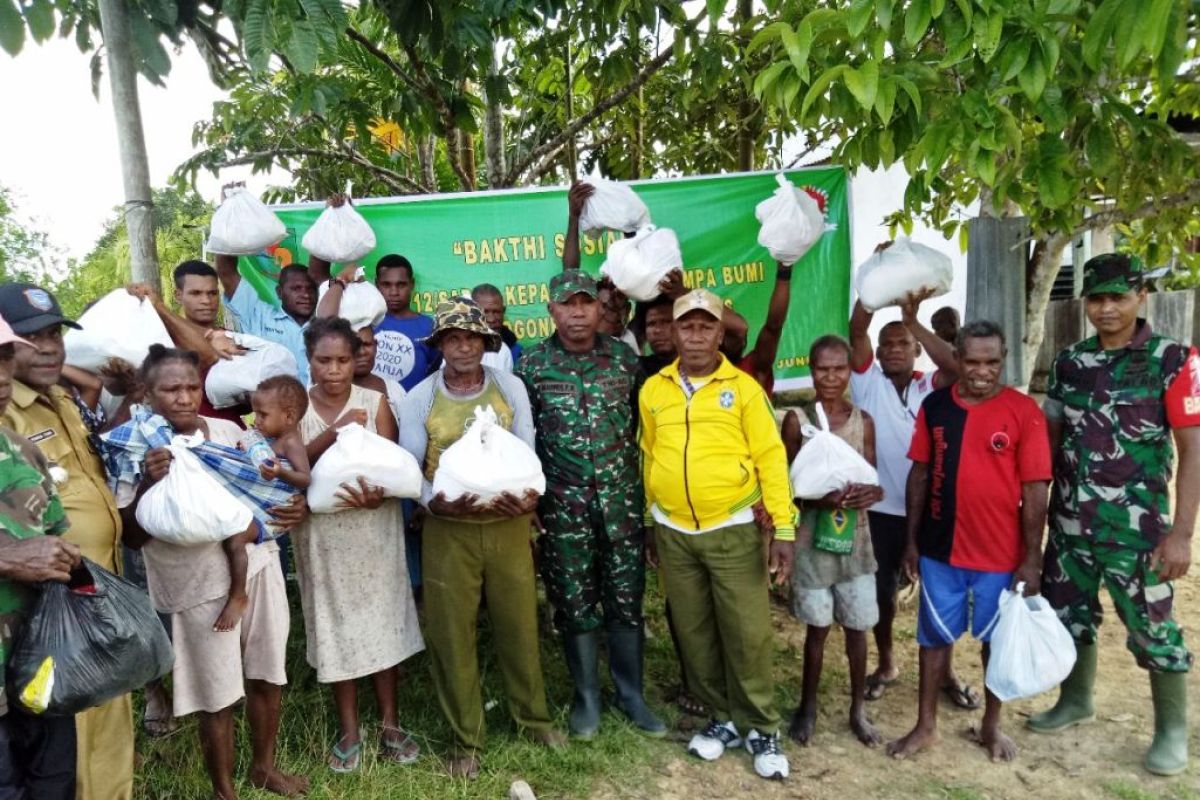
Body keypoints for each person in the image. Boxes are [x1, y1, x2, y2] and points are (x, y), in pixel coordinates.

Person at [1028, 254, 1199, 776]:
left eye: (1117, 297)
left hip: (1138, 531)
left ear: (1140, 296)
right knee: (1069, 615)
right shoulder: (1069, 362)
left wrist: (1182, 534)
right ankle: (1076, 700)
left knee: (1152, 628)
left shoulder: (1174, 360)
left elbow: (1193, 449)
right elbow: (1048, 442)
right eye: (1097, 299)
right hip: (1071, 524)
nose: (1106, 309)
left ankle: (1171, 731)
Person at [115, 345, 309, 800]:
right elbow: (129, 537)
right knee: (214, 694)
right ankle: (224, 791)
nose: (184, 397)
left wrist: (291, 507)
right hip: (195, 586)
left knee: (267, 672)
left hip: (257, 567)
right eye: (171, 389)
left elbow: (266, 486)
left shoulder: (227, 431)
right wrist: (149, 482)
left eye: (191, 387)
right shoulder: (133, 447)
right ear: (147, 393)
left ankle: (263, 766)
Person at [399, 299, 565, 779]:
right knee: (452, 634)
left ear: (487, 342)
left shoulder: (508, 387)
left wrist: (529, 499)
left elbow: (528, 452)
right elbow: (412, 467)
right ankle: (466, 739)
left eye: (472, 337)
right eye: (453, 338)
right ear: (441, 347)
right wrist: (434, 504)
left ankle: (533, 719)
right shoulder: (421, 399)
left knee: (519, 624)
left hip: (509, 524)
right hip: (448, 529)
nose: (464, 346)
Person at [640, 288, 796, 779]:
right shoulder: (655, 389)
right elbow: (647, 455)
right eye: (688, 326)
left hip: (732, 529)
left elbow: (771, 458)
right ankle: (722, 717)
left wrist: (784, 528)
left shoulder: (744, 389)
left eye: (708, 326)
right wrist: (649, 521)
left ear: (721, 333)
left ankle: (762, 727)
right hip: (673, 531)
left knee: (746, 633)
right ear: (676, 332)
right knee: (694, 631)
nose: (697, 335)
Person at [887, 321, 1051, 762]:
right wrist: (912, 542)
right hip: (940, 550)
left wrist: (1031, 558)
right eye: (973, 361)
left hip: (1000, 553)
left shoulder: (1023, 412)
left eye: (992, 362)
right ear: (957, 360)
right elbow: (919, 473)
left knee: (994, 642)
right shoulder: (936, 407)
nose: (982, 371)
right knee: (933, 638)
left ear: (1003, 362)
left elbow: (1036, 488)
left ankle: (991, 725)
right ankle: (925, 726)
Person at [515, 270, 664, 740]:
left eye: (586, 303)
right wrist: (531, 498)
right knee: (574, 601)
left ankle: (631, 694)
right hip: (564, 507)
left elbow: (646, 431)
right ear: (551, 310)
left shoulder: (624, 360)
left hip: (621, 504)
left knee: (626, 599)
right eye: (567, 304)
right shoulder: (533, 366)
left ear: (602, 309)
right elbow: (524, 438)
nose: (577, 313)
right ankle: (587, 698)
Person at [0, 282, 135, 800]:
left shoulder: (61, 400)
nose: (51, 346)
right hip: (37, 610)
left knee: (103, 709)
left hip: (91, 592)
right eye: (34, 337)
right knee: (62, 730)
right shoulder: (7, 411)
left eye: (55, 332)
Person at [294, 317, 424, 772]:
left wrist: (378, 496)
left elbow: (392, 465)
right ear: (308, 360)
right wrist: (336, 431)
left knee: (382, 621)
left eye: (343, 360)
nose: (333, 370)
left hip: (373, 529)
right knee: (337, 626)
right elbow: (292, 468)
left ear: (357, 360)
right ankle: (349, 728)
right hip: (322, 538)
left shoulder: (375, 402)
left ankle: (391, 723)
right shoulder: (295, 406)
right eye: (323, 360)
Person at [848, 286, 973, 706]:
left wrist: (913, 318)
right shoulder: (867, 385)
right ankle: (886, 663)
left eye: (904, 343)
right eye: (888, 345)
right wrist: (872, 283)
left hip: (933, 507)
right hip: (882, 510)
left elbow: (958, 366)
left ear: (917, 349)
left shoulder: (931, 387)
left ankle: (946, 671)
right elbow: (857, 329)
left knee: (940, 593)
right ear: (879, 354)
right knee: (883, 591)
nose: (894, 350)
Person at [780, 335, 883, 748]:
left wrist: (871, 495)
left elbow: (872, 478)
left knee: (858, 629)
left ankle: (858, 708)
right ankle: (808, 706)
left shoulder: (863, 421)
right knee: (817, 631)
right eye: (823, 368)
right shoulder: (798, 421)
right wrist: (817, 497)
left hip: (855, 543)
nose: (831, 376)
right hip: (812, 542)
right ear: (811, 369)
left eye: (839, 368)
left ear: (849, 370)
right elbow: (785, 484)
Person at [0, 316, 83, 799]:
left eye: (6, 359)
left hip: (38, 670)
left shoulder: (19, 450)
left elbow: (54, 535)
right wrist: (9, 557)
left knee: (53, 785)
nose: (2, 376)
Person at [208, 375, 311, 634]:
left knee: (235, 539)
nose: (257, 421)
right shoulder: (264, 438)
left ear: (288, 417)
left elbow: (304, 477)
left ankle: (238, 595)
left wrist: (280, 473)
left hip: (275, 511)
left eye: (263, 415)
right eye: (255, 414)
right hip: (259, 504)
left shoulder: (290, 442)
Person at [717, 260, 794, 395]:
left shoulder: (752, 369)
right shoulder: (693, 374)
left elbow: (773, 327)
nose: (736, 338)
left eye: (740, 337)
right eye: (728, 335)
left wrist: (784, 273)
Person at [471, 283, 522, 366]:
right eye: (485, 312)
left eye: (497, 312)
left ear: (503, 311)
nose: (491, 319)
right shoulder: (458, 350)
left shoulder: (515, 351)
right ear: (472, 312)